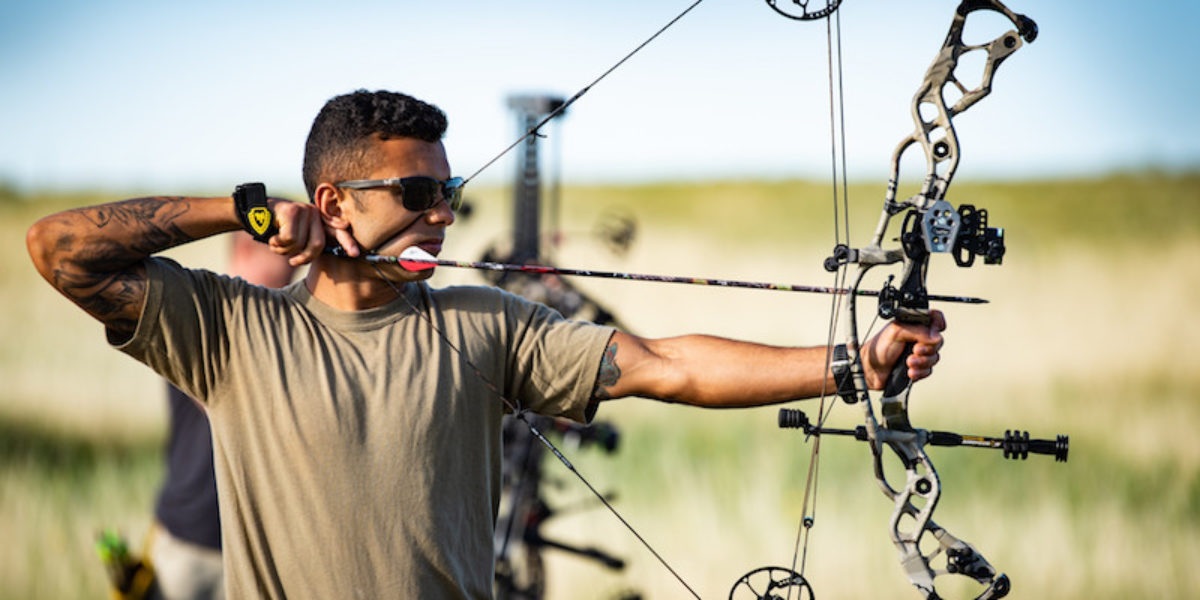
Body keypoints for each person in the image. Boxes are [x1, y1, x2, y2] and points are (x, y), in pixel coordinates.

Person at [26, 90, 944, 599]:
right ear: (335, 201)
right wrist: (242, 208)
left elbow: (666, 365)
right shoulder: (232, 329)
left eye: (450, 189)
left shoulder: (480, 323)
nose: (444, 210)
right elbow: (59, 250)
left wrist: (848, 366)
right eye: (415, 193)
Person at [149, 232, 296, 600]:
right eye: (288, 256)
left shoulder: (278, 322)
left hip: (254, 548)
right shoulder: (204, 315)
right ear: (248, 248)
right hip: (194, 537)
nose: (298, 268)